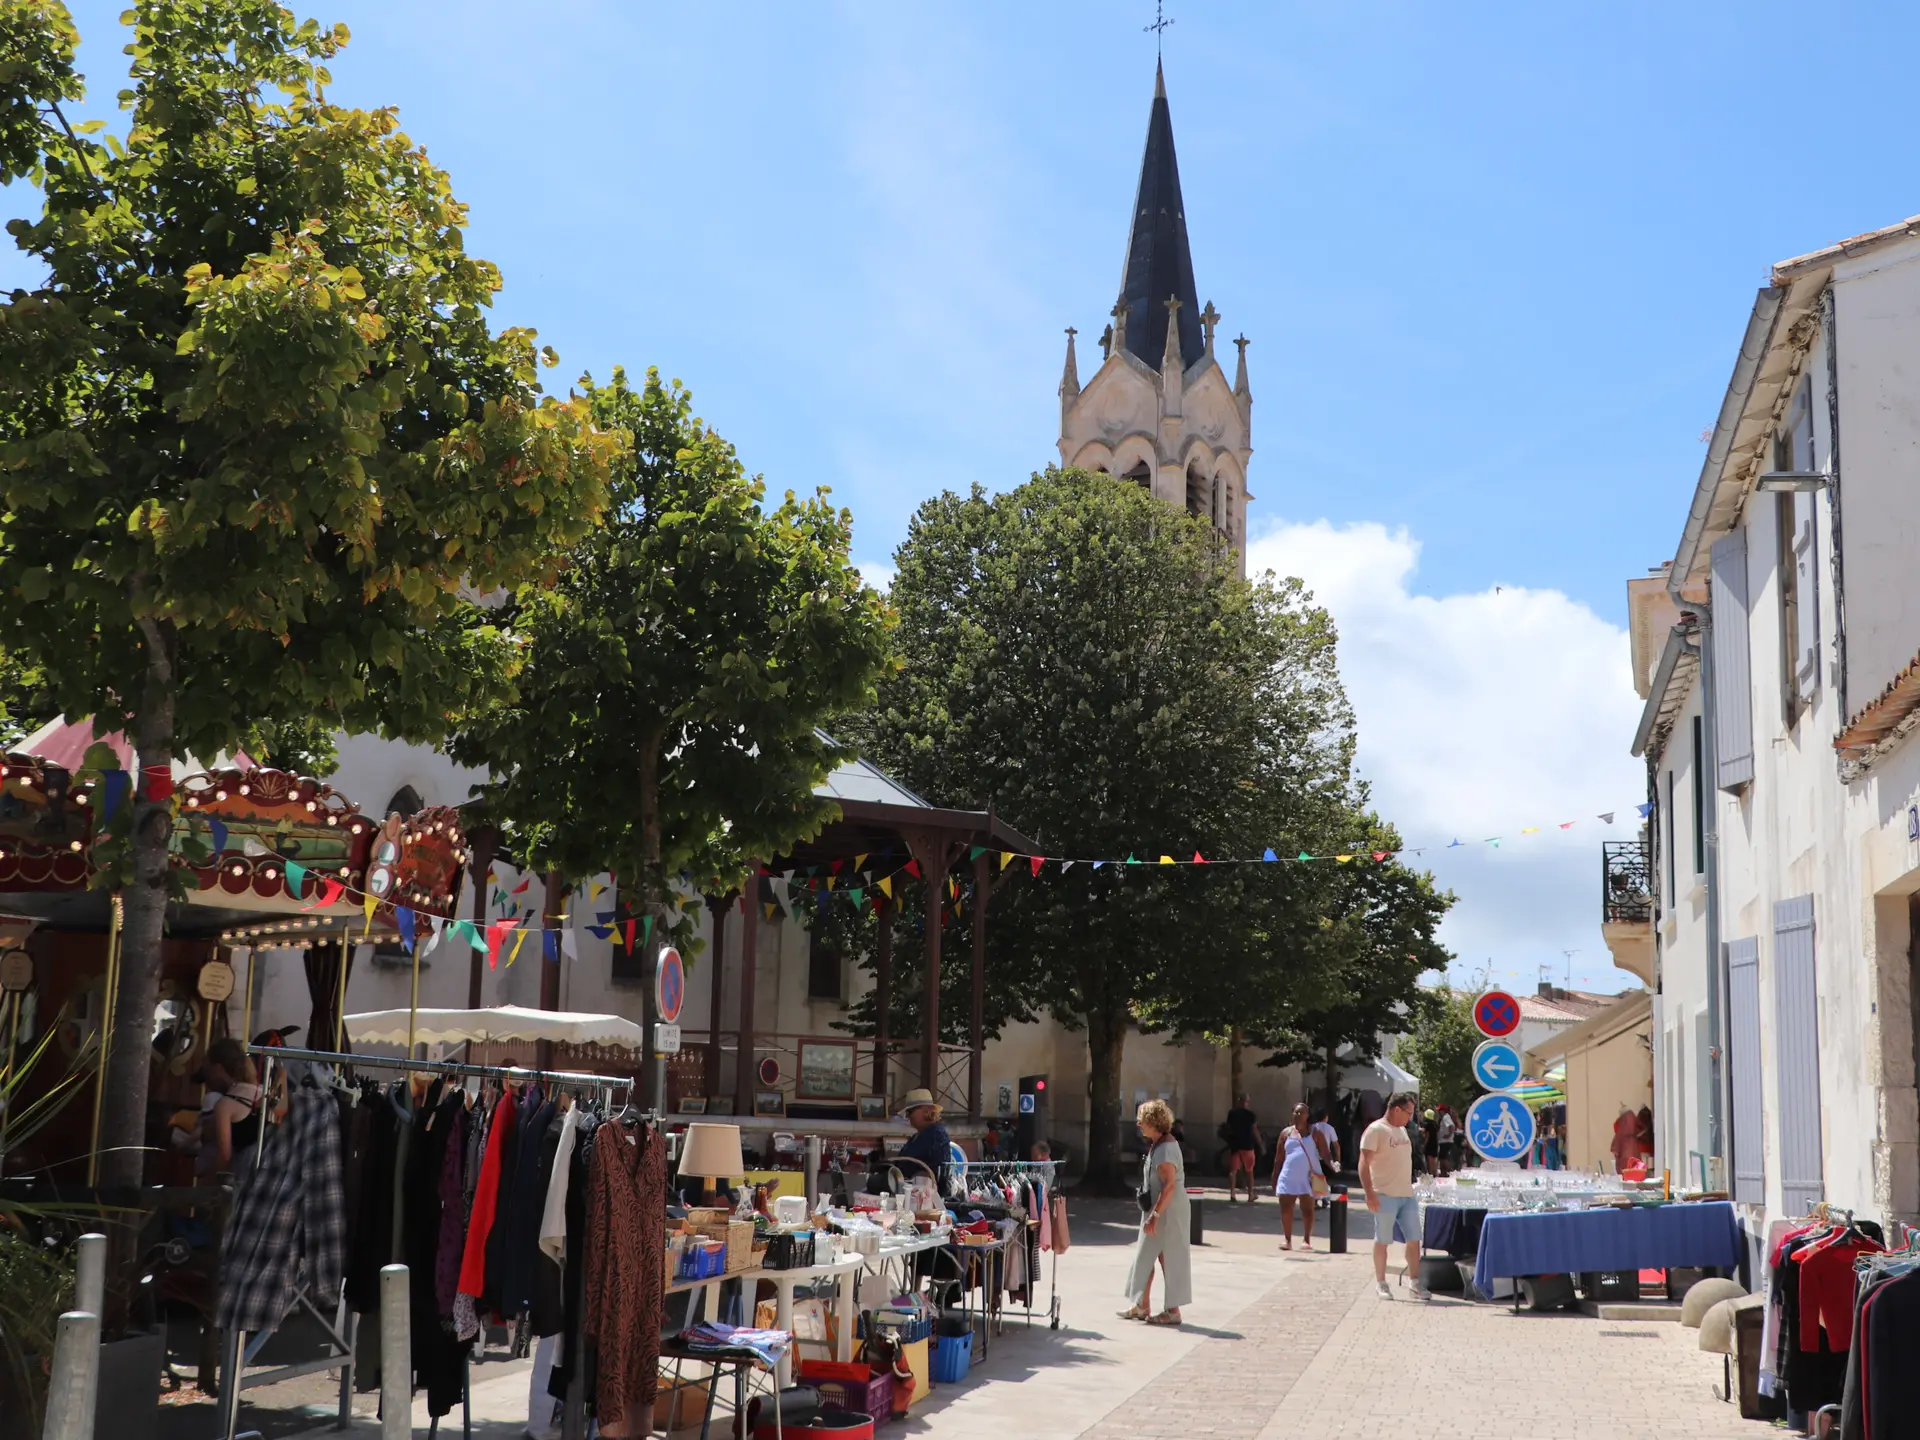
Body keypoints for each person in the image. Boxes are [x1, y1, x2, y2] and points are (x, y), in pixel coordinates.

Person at [1120, 1099, 1191, 1327]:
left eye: (1142, 1120)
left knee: (1168, 1257)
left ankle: (1172, 1311)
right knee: (1147, 1253)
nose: (1138, 1124)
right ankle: (1142, 1304)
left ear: (1153, 1122)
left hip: (1167, 1211)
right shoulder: (1160, 1144)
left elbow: (1169, 1186)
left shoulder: (1166, 1149)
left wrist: (1155, 1215)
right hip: (1161, 1208)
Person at [1361, 1091, 1426, 1300]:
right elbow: (1363, 1164)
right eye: (1409, 1113)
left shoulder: (1402, 1130)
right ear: (1397, 1109)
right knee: (1383, 1240)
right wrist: (1369, 1193)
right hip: (1384, 1194)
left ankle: (1414, 1283)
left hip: (1406, 1195)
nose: (1410, 1117)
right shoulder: (1376, 1130)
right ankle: (1381, 1283)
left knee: (1414, 1239)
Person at [197, 1037, 262, 1180]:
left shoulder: (225, 1105)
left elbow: (224, 1155)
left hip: (243, 1178)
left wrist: (207, 1182)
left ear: (218, 1068)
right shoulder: (262, 1093)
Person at [1273, 1103, 1330, 1251]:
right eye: (1296, 1112)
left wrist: (1333, 1164)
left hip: (1307, 1177)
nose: (1299, 1115)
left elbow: (1325, 1153)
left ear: (1307, 1115)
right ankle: (1287, 1240)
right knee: (1286, 1208)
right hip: (1288, 1176)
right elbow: (1279, 1158)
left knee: (1308, 1209)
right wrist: (1274, 1177)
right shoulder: (1285, 1133)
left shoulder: (1315, 1133)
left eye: (1302, 1112)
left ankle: (1306, 1240)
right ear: (1292, 1113)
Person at [896, 1088, 954, 1191]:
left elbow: (937, 1169)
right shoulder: (916, 1137)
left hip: (926, 1193)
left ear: (926, 1110)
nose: (907, 1116)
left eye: (910, 1112)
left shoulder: (937, 1134)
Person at [1222, 1092, 1262, 1203]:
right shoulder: (1250, 1115)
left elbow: (1228, 1128)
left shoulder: (1232, 1114)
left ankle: (1232, 1193)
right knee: (1249, 1170)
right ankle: (1250, 1194)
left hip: (1235, 1145)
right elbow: (1254, 1130)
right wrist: (1260, 1143)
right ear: (1246, 1102)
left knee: (1233, 1170)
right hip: (1247, 1145)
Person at [1311, 1107, 1341, 1178]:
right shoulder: (1330, 1128)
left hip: (1313, 1158)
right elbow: (1336, 1146)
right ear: (1326, 1117)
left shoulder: (1311, 1127)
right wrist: (1338, 1160)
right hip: (1326, 1159)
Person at [1435, 1105, 1457, 1176]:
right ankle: (1443, 1172)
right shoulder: (1445, 1118)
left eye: (1439, 1110)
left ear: (1443, 1111)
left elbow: (1451, 1126)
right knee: (1442, 1157)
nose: (1438, 1112)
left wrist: (1449, 1135)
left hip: (1445, 1141)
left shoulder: (1446, 1117)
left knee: (1443, 1158)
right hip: (1443, 1141)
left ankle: (1451, 1170)